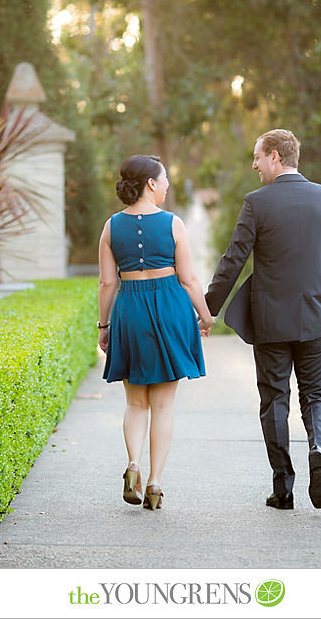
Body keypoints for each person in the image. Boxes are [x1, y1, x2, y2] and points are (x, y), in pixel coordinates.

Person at [204, 129, 321, 510]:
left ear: (274, 157)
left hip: (271, 321)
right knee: (317, 393)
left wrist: (209, 309)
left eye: (257, 157)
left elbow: (233, 260)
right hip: (319, 318)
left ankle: (282, 487)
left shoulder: (257, 203)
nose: (253, 165)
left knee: (275, 399)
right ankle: (319, 447)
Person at [98, 154, 215, 510]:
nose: (166, 187)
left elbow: (106, 283)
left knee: (135, 402)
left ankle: (133, 464)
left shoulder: (111, 226)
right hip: (170, 310)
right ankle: (154, 483)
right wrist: (206, 317)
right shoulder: (173, 223)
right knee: (163, 405)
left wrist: (104, 326)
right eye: (163, 180)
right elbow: (189, 279)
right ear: (151, 183)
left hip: (130, 309)